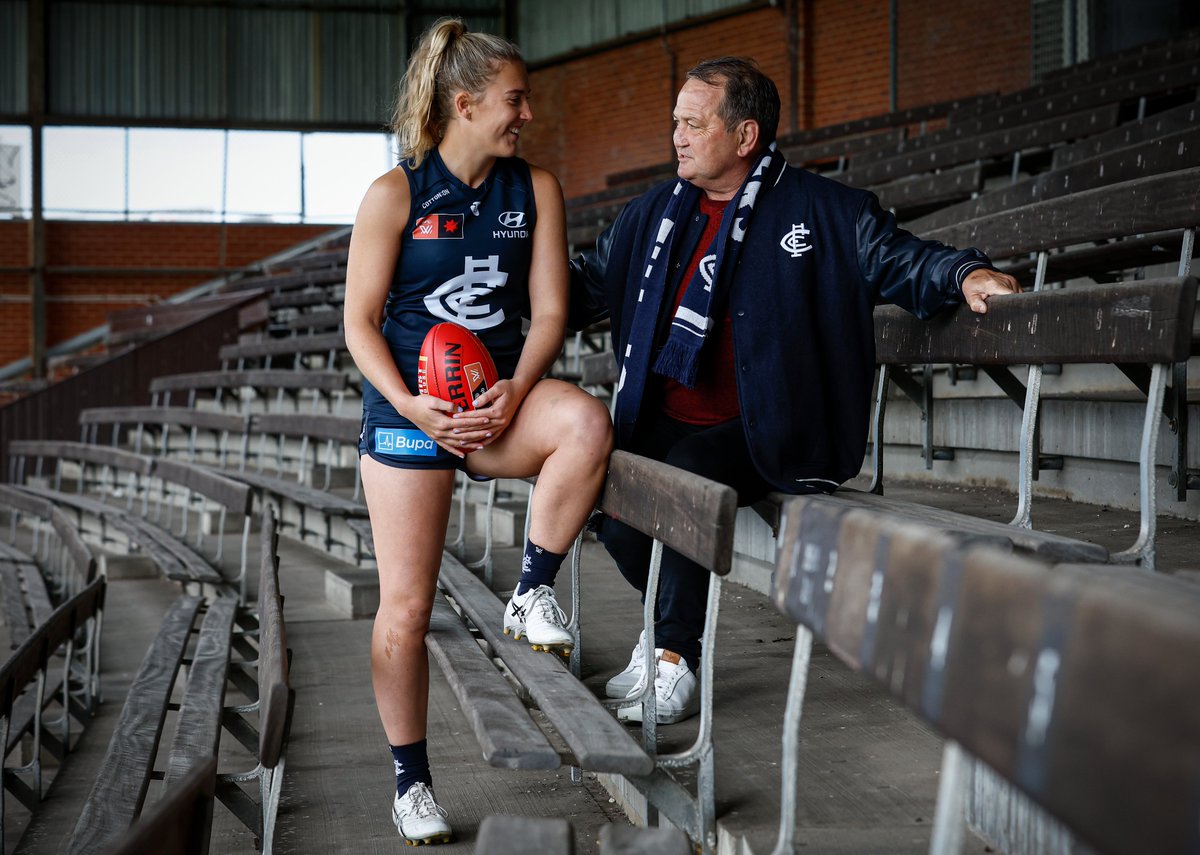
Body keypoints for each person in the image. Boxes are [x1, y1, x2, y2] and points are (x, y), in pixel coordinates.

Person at [568, 57, 1020, 726]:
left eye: (693, 124)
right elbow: (579, 286)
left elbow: (900, 258)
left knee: (686, 476)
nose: (678, 137)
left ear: (745, 136)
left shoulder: (824, 209)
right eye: (675, 123)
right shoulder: (652, 215)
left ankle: (674, 656)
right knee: (600, 472)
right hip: (667, 412)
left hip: (768, 425)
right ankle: (660, 624)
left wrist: (964, 274)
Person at [344, 18, 612, 845]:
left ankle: (531, 591)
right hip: (412, 412)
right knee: (407, 609)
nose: (526, 114)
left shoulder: (534, 190)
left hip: (495, 398)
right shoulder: (395, 195)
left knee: (584, 421)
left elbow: (553, 310)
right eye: (514, 99)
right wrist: (412, 402)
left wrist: (516, 388)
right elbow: (357, 324)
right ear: (465, 104)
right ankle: (412, 781)